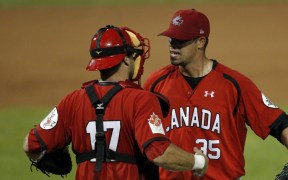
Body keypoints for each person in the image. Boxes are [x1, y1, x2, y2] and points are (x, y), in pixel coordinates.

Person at [144, 9, 288, 179]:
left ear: (201, 42)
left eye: (181, 40)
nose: (173, 46)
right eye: (171, 39)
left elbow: (280, 122)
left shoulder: (234, 84)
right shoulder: (156, 83)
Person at [23, 25, 209, 180]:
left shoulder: (73, 100)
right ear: (126, 60)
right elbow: (160, 153)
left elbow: (31, 145)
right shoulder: (142, 100)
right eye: (135, 55)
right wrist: (198, 162)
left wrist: (50, 155)